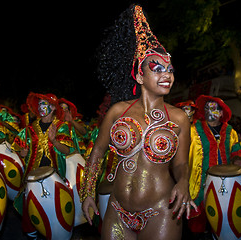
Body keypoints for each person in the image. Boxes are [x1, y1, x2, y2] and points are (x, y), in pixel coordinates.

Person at [80, 5, 195, 239]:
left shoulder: (179, 117)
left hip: (161, 211)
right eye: (158, 69)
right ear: (140, 76)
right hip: (116, 210)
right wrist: (88, 192)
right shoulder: (118, 111)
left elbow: (181, 164)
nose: (168, 75)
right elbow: (98, 152)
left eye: (170, 69)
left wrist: (183, 182)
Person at [12, 92, 75, 239]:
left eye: (44, 104)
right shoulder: (29, 129)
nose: (41, 107)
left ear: (53, 107)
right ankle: (32, 235)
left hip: (55, 174)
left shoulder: (61, 127)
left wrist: (54, 141)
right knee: (32, 209)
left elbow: (67, 150)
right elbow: (19, 151)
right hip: (32, 175)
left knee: (56, 210)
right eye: (39, 104)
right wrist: (23, 153)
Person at [188, 94, 238, 236]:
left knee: (221, 224)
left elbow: (235, 154)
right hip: (198, 184)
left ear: (221, 113)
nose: (210, 112)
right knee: (197, 227)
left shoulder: (230, 132)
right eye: (207, 109)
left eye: (214, 109)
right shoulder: (192, 130)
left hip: (223, 185)